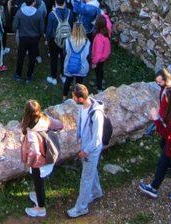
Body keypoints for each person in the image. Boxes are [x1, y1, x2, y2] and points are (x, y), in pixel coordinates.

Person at [67, 84, 104, 218]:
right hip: (85, 146)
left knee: (85, 179)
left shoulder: (96, 114)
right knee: (90, 172)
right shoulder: (83, 107)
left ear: (80, 98)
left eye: (74, 97)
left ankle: (81, 207)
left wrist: (86, 151)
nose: (73, 98)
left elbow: (97, 138)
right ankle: (96, 192)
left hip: (91, 150)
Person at [13, 0, 44, 83]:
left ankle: (18, 74)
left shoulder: (19, 12)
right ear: (33, 2)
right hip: (34, 39)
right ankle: (29, 76)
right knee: (32, 57)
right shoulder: (38, 13)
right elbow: (41, 28)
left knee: (21, 56)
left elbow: (14, 27)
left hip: (23, 38)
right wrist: (40, 35)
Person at [45, 0, 73, 85]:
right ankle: (63, 75)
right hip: (67, 39)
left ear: (55, 3)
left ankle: (53, 77)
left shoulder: (52, 15)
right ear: (64, 2)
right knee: (65, 57)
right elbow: (71, 26)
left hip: (54, 40)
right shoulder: (70, 13)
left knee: (54, 58)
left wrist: (47, 40)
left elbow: (49, 30)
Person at [62, 23, 91, 100]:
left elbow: (64, 53)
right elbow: (89, 56)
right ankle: (78, 98)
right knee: (80, 84)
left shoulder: (67, 41)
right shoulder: (87, 42)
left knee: (68, 81)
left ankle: (64, 97)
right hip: (82, 67)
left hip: (69, 65)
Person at [91, 16, 112, 93]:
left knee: (98, 72)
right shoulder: (107, 31)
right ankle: (102, 80)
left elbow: (98, 53)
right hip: (104, 57)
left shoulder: (99, 37)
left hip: (99, 59)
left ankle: (99, 88)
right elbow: (107, 20)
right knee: (101, 70)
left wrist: (94, 62)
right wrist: (105, 16)